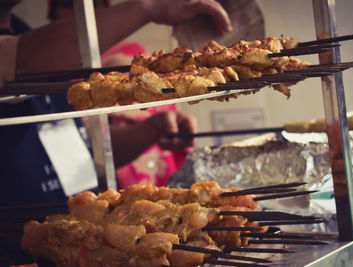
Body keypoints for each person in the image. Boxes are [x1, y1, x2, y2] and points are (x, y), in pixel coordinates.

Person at [0, 0, 232, 207]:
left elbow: (84, 150)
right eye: (67, 5)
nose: (84, 15)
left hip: (76, 221)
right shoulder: (39, 56)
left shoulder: (33, 42)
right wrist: (149, 7)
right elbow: (17, 59)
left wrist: (151, 129)